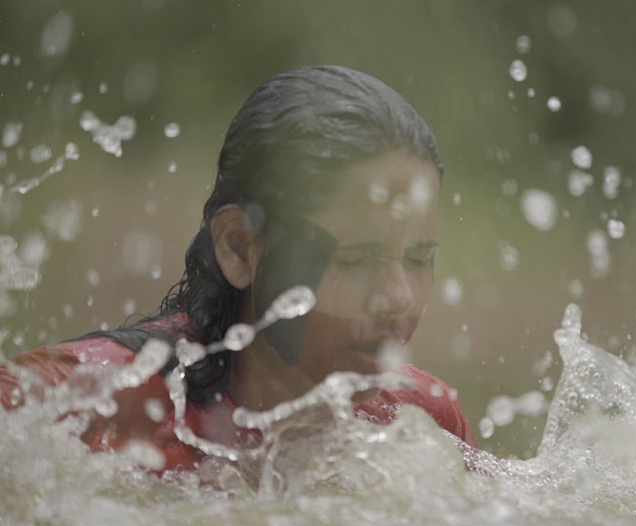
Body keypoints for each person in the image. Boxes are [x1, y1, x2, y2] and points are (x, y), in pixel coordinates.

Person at [0, 66, 476, 478]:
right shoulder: (78, 402)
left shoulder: (424, 424)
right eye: (354, 258)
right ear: (240, 248)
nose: (399, 298)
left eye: (418, 259)